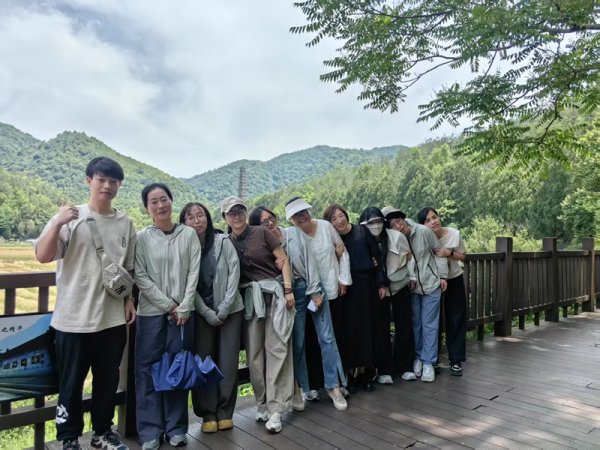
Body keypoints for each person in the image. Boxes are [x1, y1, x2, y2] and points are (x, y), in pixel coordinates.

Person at [35, 156, 135, 450]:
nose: (107, 186)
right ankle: (69, 438)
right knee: (71, 383)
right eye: (101, 179)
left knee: (107, 380)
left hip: (112, 318)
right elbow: (42, 255)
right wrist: (57, 221)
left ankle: (102, 433)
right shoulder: (70, 217)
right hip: (72, 319)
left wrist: (129, 300)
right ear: (88, 180)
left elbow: (128, 268)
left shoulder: (126, 223)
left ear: (119, 186)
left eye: (113, 181)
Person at [249, 204, 347, 411]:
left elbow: (310, 261)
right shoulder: (262, 246)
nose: (270, 223)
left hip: (309, 288)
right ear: (257, 227)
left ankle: (334, 386)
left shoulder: (293, 233)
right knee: (297, 343)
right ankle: (305, 388)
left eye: (272, 218)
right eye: (264, 222)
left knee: (326, 338)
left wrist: (315, 291)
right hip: (288, 297)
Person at [134, 183, 201, 450]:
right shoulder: (142, 237)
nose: (160, 205)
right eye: (154, 202)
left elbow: (194, 272)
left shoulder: (188, 234)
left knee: (178, 367)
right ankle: (150, 430)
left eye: (164, 199)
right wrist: (168, 305)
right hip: (151, 313)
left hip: (184, 314)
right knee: (147, 370)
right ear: (146, 208)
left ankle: (176, 428)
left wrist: (184, 306)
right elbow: (140, 276)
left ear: (172, 201)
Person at [221, 196, 295, 434]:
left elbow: (283, 260)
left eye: (240, 211)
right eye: (231, 213)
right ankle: (262, 402)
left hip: (274, 296)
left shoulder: (262, 233)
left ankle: (277, 408)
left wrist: (288, 289)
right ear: (225, 217)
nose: (236, 216)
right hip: (249, 302)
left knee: (277, 349)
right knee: (254, 355)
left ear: (245, 212)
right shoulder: (226, 243)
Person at [180, 202, 243, 433]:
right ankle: (208, 412)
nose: (197, 220)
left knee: (228, 360)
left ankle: (225, 411)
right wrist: (207, 312)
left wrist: (224, 308)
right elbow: (187, 284)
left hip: (231, 311)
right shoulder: (184, 248)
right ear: (184, 222)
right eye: (190, 217)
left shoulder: (223, 241)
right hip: (200, 313)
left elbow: (235, 273)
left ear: (207, 217)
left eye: (200, 215)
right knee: (203, 361)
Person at [381, 206, 448, 383]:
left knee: (429, 325)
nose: (398, 226)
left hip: (431, 285)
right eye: (393, 224)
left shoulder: (423, 231)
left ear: (403, 218)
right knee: (416, 324)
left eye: (399, 220)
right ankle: (418, 357)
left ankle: (428, 362)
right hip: (411, 288)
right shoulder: (393, 239)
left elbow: (439, 252)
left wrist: (442, 275)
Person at [324, 203, 386, 392]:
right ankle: (349, 375)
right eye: (333, 219)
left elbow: (377, 257)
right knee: (348, 330)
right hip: (344, 289)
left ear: (346, 215)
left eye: (341, 215)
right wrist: (335, 254)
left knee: (368, 328)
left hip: (366, 286)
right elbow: (326, 264)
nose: (339, 221)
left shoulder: (362, 232)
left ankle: (366, 373)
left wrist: (381, 283)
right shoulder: (330, 239)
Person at [359, 207, 418, 384]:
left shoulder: (396, 237)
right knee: (381, 327)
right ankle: (384, 369)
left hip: (400, 284)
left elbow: (409, 257)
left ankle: (405, 366)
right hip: (378, 290)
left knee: (404, 324)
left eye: (378, 221)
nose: (375, 225)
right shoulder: (362, 240)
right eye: (371, 222)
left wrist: (412, 276)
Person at [418, 207, 467, 376]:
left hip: (454, 279)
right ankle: (433, 360)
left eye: (434, 217)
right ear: (422, 225)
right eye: (427, 220)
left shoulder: (453, 234)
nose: (433, 222)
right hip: (431, 282)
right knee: (433, 321)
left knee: (456, 318)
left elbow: (463, 256)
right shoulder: (422, 237)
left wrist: (449, 253)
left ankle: (456, 360)